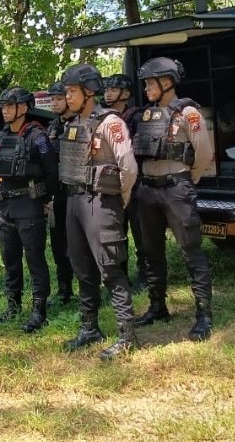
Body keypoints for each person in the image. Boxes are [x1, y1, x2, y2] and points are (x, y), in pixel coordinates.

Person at [128, 57, 215, 341]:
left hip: (176, 188)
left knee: (191, 250)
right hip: (147, 190)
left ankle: (203, 315)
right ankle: (157, 307)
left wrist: (188, 179)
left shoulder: (189, 113)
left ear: (166, 82)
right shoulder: (146, 115)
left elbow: (204, 153)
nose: (146, 88)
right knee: (151, 251)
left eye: (150, 83)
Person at [57, 63, 139, 360]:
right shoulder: (73, 123)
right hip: (75, 201)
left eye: (72, 91)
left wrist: (121, 199)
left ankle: (127, 336)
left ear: (89, 92)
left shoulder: (109, 122)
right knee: (82, 268)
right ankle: (89, 328)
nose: (67, 97)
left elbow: (128, 166)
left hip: (101, 202)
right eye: (66, 92)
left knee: (111, 269)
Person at [0, 86, 58, 333]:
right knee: (10, 259)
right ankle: (13, 304)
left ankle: (39, 310)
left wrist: (45, 200)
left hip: (29, 204)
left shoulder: (37, 137)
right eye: (3, 106)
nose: (5, 110)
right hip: (4, 206)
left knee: (35, 259)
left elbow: (51, 173)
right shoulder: (0, 136)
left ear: (24, 108)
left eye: (10, 106)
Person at [104, 72, 149, 291]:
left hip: (136, 184)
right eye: (107, 89)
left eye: (113, 89)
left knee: (141, 233)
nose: (108, 93)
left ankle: (146, 276)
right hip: (112, 185)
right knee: (116, 234)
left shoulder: (137, 117)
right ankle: (121, 277)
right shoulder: (104, 118)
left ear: (126, 93)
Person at [44, 81, 75, 305]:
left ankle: (92, 288)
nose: (54, 103)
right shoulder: (52, 127)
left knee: (82, 242)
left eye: (58, 99)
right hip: (58, 194)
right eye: (52, 99)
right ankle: (64, 289)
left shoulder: (83, 123)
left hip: (79, 193)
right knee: (58, 243)